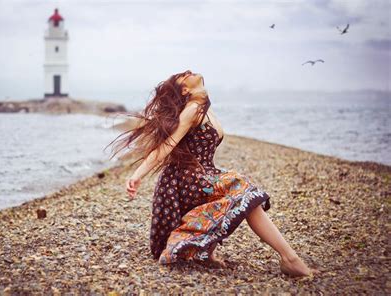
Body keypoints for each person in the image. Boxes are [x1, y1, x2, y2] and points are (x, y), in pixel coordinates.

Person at [106, 70, 319, 277]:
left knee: (239, 190)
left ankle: (208, 252)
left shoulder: (205, 108)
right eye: (183, 76)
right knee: (240, 187)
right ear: (184, 91)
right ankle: (290, 259)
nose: (188, 71)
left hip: (203, 173)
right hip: (185, 179)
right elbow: (166, 146)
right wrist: (137, 174)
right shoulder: (192, 110)